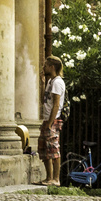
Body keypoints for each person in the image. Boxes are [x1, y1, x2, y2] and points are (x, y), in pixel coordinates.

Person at [40, 57, 66, 187]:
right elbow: (45, 101)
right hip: (47, 119)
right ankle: (49, 177)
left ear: (52, 67)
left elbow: (56, 104)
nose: (43, 67)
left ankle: (56, 179)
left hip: (53, 120)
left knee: (54, 149)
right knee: (45, 149)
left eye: (46, 65)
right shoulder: (50, 81)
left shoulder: (57, 82)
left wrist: (50, 123)